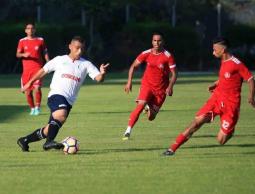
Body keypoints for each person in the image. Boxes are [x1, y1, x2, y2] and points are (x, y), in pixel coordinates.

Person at [163, 37, 255, 156]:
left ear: (223, 49)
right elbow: (226, 77)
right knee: (196, 122)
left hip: (230, 105)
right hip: (216, 99)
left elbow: (251, 79)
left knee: (221, 140)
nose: (213, 52)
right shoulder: (224, 61)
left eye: (215, 49)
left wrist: (251, 96)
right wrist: (215, 84)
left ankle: (230, 131)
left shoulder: (236, 63)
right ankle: (172, 149)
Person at [17, 36, 109, 152]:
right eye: (77, 48)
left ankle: (24, 140)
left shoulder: (86, 64)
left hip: (69, 101)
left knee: (49, 129)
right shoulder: (60, 59)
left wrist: (102, 73)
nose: (79, 51)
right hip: (56, 95)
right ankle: (48, 143)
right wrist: (29, 83)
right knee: (61, 115)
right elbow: (43, 71)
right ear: (70, 47)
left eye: (82, 49)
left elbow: (99, 79)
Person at [122, 32, 178, 140]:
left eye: (159, 40)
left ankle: (149, 108)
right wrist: (129, 82)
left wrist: (170, 86)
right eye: (154, 40)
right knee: (140, 105)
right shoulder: (146, 53)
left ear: (163, 42)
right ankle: (128, 130)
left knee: (151, 117)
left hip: (161, 90)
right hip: (147, 85)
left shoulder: (168, 56)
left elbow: (175, 73)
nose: (157, 43)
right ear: (152, 42)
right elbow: (133, 66)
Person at [16, 22, 50, 115]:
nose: (30, 30)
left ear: (35, 30)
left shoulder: (40, 40)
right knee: (27, 92)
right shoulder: (22, 41)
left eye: (32, 28)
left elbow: (45, 51)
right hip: (26, 71)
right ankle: (32, 108)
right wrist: (23, 54)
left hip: (38, 69)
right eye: (28, 28)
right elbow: (18, 54)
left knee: (37, 88)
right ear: (25, 30)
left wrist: (48, 61)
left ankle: (38, 107)